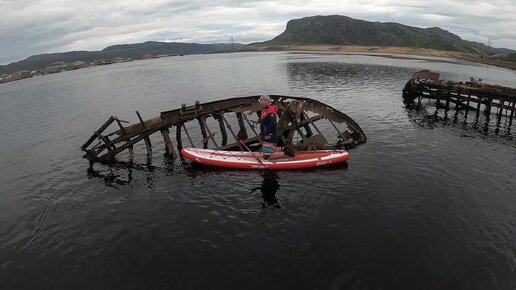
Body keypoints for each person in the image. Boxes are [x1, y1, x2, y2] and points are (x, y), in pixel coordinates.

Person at [257, 95, 294, 160]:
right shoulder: (265, 110)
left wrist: (267, 133)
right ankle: (284, 148)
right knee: (269, 149)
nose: (262, 102)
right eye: (261, 101)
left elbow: (273, 124)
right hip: (268, 136)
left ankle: (286, 152)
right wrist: (259, 120)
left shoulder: (271, 111)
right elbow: (265, 118)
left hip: (270, 135)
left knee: (267, 156)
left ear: (269, 102)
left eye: (264, 100)